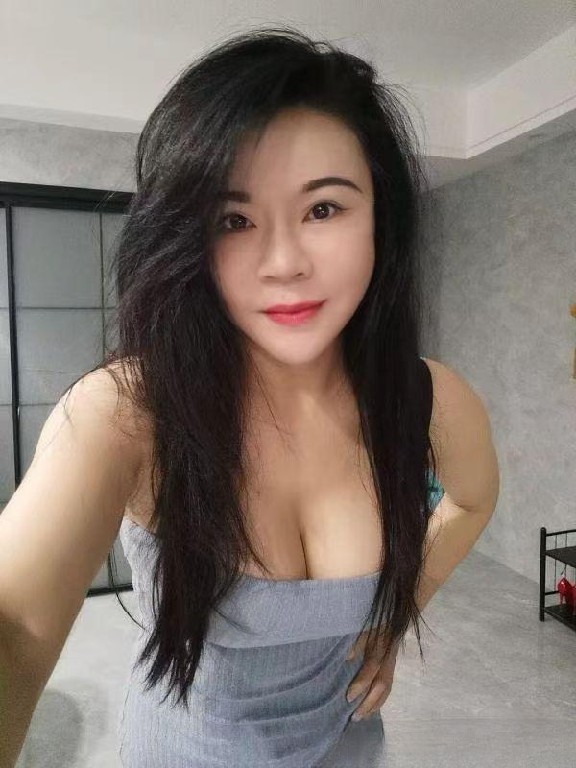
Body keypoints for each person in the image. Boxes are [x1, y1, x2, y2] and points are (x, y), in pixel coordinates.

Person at [0, 25, 500, 768]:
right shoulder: (128, 411)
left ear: (381, 218)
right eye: (233, 221)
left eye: (323, 209)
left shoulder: (427, 396)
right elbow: (14, 628)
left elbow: (471, 502)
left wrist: (394, 618)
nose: (283, 262)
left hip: (345, 740)